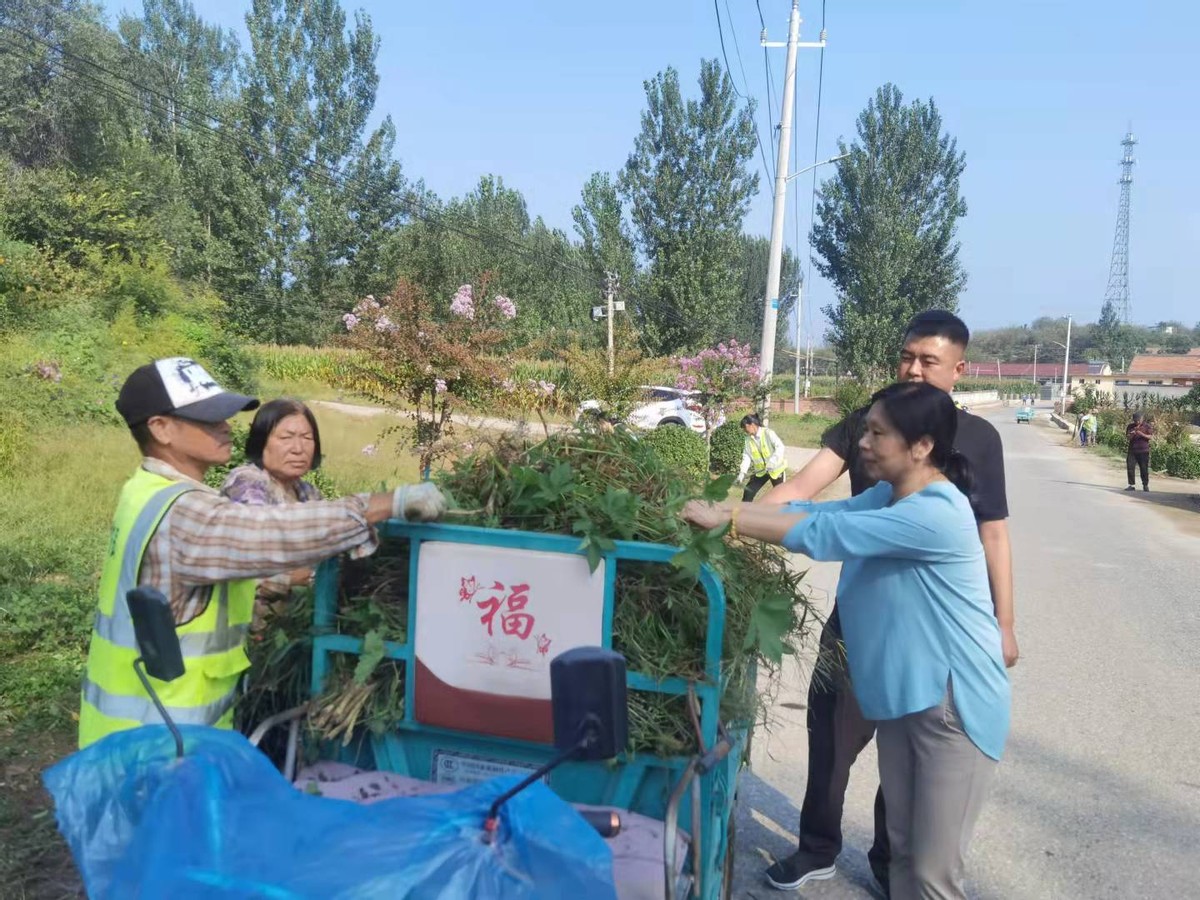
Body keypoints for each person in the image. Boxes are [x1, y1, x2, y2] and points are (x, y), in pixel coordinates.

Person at [683, 382, 1010, 900]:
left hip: (953, 707)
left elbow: (826, 539)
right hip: (907, 698)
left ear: (921, 446)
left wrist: (731, 519)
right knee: (902, 851)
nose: (863, 442)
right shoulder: (889, 494)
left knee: (931, 872)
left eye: (878, 433)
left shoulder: (935, 513)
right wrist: (729, 515)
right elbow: (818, 515)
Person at [759, 310, 1016, 895]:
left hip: (924, 634)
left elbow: (993, 533)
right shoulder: (868, 420)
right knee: (832, 737)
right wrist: (744, 522)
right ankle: (818, 847)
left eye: (929, 360)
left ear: (959, 368)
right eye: (907, 357)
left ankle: (894, 862)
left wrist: (1006, 622)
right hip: (859, 620)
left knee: (911, 759)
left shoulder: (978, 440)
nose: (915, 369)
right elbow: (804, 492)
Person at [79, 358, 447, 749]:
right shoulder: (183, 514)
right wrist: (385, 503)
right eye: (208, 419)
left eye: (224, 416)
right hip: (156, 743)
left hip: (162, 733)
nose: (225, 427)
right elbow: (273, 534)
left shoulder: (146, 491)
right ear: (161, 428)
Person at [221, 399, 326, 632]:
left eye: (307, 438)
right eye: (286, 438)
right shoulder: (247, 483)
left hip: (290, 629)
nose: (298, 448)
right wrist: (294, 579)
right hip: (248, 631)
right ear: (261, 442)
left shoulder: (308, 493)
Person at [737, 413, 787, 502]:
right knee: (748, 491)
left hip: (776, 470)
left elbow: (780, 447)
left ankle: (787, 513)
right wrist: (742, 472)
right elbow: (747, 456)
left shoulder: (768, 433)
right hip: (761, 471)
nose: (744, 430)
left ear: (752, 425)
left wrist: (772, 462)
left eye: (745, 427)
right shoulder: (748, 439)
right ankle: (743, 513)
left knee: (782, 495)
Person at [1125, 412, 1152, 492]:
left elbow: (1150, 437)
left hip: (1143, 451)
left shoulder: (1147, 426)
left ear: (1142, 419)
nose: (1137, 422)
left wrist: (1140, 433)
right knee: (1130, 467)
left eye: (1138, 421)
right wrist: (1131, 434)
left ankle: (1145, 485)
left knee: (1144, 469)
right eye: (1135, 421)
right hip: (1132, 450)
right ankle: (1131, 485)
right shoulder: (1130, 426)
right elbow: (1127, 437)